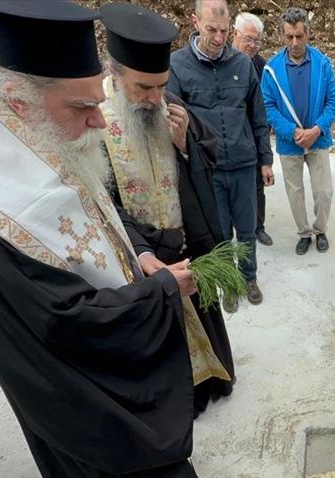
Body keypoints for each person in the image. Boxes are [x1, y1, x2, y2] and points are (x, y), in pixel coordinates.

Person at [0, 0, 213, 478]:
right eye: (84, 106)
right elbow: (65, 322)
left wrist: (137, 264)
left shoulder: (36, 138)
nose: (99, 119)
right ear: (17, 98)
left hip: (96, 385)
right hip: (89, 409)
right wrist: (160, 293)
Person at [99, 2, 234, 418]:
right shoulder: (96, 120)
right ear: (116, 74)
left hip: (184, 238)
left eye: (161, 85)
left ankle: (214, 379)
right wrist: (141, 253)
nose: (155, 98)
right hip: (142, 251)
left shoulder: (168, 104)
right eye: (144, 88)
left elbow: (209, 152)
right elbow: (100, 202)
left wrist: (184, 142)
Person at [169, 0, 273, 312]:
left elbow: (257, 116)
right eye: (211, 30)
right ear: (195, 22)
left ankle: (249, 277)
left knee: (247, 228)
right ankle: (229, 282)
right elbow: (172, 119)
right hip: (207, 169)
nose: (218, 38)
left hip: (243, 164)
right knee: (219, 231)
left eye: (224, 31)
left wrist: (265, 160)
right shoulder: (177, 65)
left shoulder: (242, 64)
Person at [261, 7, 335, 255]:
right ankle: (304, 233)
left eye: (299, 36)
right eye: (289, 37)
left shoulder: (323, 64)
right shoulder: (271, 69)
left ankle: (320, 230)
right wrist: (292, 131)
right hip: (290, 143)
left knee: (323, 191)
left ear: (308, 33)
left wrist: (317, 129)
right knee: (295, 194)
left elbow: (333, 101)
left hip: (318, 139)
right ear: (282, 36)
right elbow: (268, 106)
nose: (294, 42)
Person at [232, 11, 273, 247]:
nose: (253, 45)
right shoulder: (224, 61)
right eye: (248, 39)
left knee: (258, 184)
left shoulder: (261, 65)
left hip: (255, 133)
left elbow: (265, 104)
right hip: (232, 135)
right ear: (235, 34)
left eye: (257, 40)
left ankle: (259, 226)